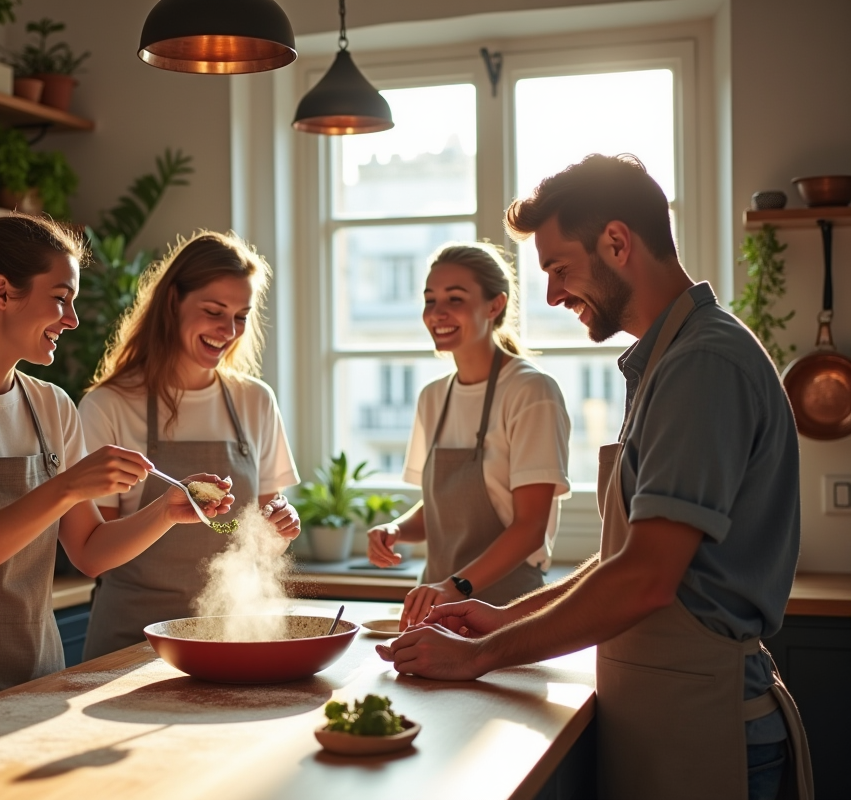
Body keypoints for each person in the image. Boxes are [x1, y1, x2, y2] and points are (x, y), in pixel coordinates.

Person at [378, 154, 812, 800]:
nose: (551, 295)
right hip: (671, 708)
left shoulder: (703, 365)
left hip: (712, 727)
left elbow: (644, 579)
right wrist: (499, 618)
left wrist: (479, 655)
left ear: (617, 242)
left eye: (558, 269)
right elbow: (625, 556)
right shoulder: (669, 361)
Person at [0, 206, 233, 736]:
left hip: (32, 688)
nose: (72, 319)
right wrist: (65, 488)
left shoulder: (51, 406)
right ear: (2, 293)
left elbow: (90, 551)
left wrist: (166, 513)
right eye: (60, 299)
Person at [79, 230, 301, 659]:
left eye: (241, 316)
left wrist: (281, 528)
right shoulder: (108, 405)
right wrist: (164, 510)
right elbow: (95, 552)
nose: (228, 330)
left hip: (232, 634)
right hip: (130, 643)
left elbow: (262, 533)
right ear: (173, 302)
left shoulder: (254, 400)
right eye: (214, 311)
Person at [365, 243, 570, 628]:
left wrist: (455, 586)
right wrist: (396, 530)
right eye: (430, 299)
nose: (437, 313)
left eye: (455, 298)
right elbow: (442, 510)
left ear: (495, 306)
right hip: (435, 609)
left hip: (507, 613)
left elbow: (529, 527)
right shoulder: (433, 397)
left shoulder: (531, 392)